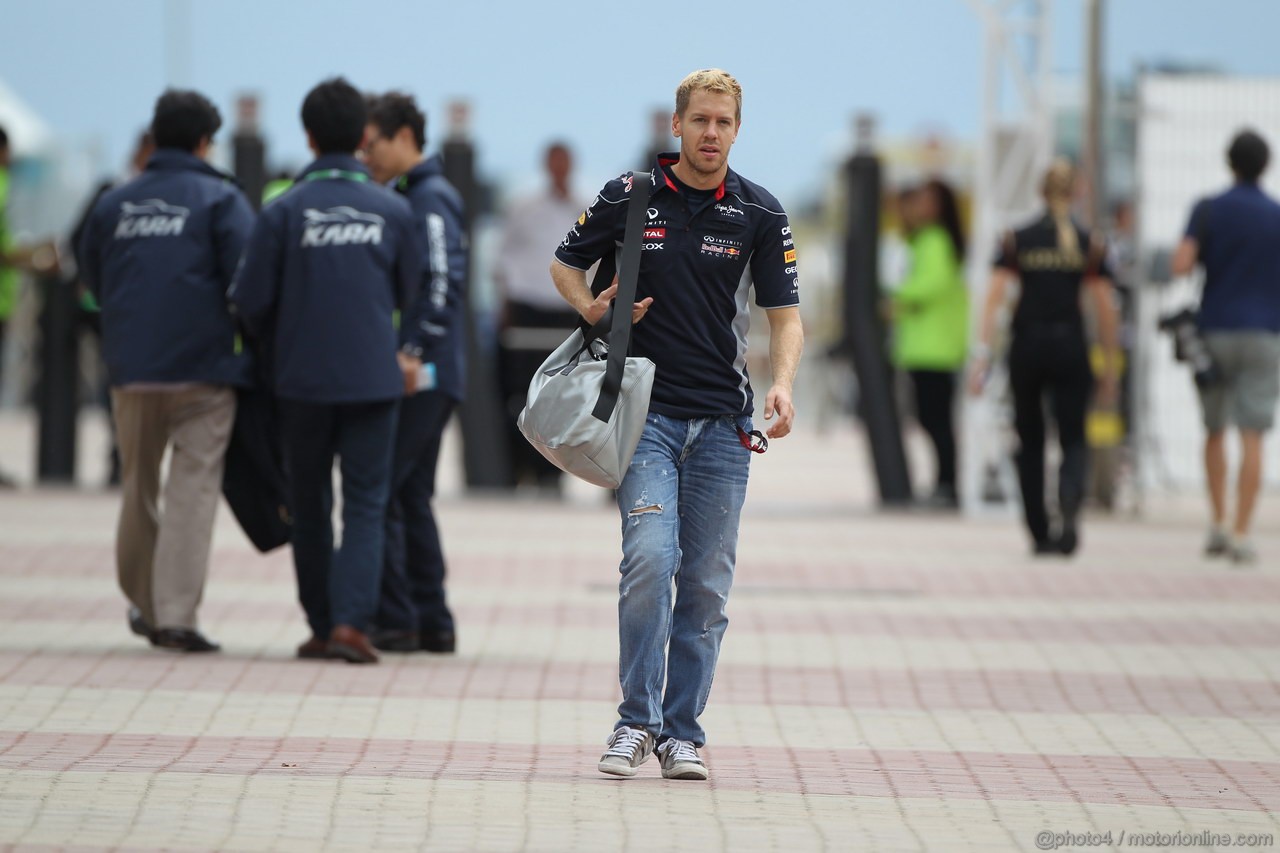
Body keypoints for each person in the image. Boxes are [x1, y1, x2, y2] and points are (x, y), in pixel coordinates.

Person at [550, 69, 804, 781]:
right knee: (650, 562)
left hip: (725, 425)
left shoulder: (759, 211)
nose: (711, 134)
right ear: (677, 125)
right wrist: (595, 309)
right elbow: (564, 264)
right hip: (646, 419)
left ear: (737, 129)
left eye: (723, 123)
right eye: (700, 121)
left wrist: (781, 385)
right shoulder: (630, 197)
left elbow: (785, 316)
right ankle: (635, 719)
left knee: (705, 586)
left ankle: (682, 732)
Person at [229, 78, 422, 664]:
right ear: (364, 136)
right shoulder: (393, 209)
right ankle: (351, 625)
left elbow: (250, 300)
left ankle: (320, 624)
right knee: (364, 502)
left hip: (301, 382)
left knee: (309, 501)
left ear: (308, 136)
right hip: (372, 380)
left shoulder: (282, 211)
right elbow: (410, 290)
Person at [78, 90, 255, 651]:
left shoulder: (114, 202)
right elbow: (247, 285)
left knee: (137, 488)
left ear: (153, 138)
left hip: (132, 370)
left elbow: (90, 274)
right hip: (203, 373)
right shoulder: (221, 200)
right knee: (192, 491)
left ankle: (143, 604)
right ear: (206, 142)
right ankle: (176, 616)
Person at [970, 159, 1119, 556]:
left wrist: (982, 356)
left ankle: (1038, 528)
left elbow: (995, 297)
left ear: (1041, 192)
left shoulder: (1017, 239)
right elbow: (1105, 307)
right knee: (1073, 436)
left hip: (1028, 349)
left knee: (1030, 439)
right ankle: (1070, 499)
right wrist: (1108, 362)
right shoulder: (1091, 242)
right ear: (1078, 192)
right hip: (1071, 347)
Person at [362, 91, 467, 653]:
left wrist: (414, 352)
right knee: (408, 494)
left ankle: (400, 618)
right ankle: (431, 621)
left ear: (404, 136)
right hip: (429, 369)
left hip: (424, 373)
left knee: (382, 488)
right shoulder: (414, 194)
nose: (366, 155)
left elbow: (443, 281)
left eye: (372, 143)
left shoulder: (429, 197)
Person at [1171, 130, 1280, 565]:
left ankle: (1216, 522)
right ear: (1266, 165)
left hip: (1214, 327)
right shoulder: (1276, 215)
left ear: (1228, 162)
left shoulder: (1208, 209)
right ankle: (1242, 531)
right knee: (1252, 432)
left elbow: (1181, 264)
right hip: (1265, 333)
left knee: (1213, 429)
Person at [495, 141, 587, 493]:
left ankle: (552, 474)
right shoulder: (523, 207)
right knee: (519, 395)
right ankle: (517, 469)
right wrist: (505, 309)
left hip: (567, 310)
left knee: (561, 397)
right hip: (527, 309)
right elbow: (503, 260)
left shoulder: (585, 209)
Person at [889, 179, 968, 508]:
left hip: (935, 349)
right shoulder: (921, 240)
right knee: (930, 418)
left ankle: (948, 484)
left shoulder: (935, 239)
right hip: (924, 347)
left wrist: (895, 296)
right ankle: (943, 481)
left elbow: (932, 283)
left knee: (936, 419)